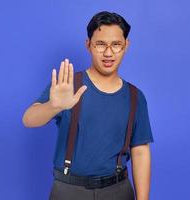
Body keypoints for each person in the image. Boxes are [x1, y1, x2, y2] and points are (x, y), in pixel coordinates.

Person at [22, 11, 154, 200]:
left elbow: (140, 152)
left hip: (118, 190)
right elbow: (28, 119)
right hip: (69, 190)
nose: (108, 52)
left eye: (116, 45)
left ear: (126, 46)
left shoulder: (135, 96)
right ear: (88, 45)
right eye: (100, 44)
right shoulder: (67, 85)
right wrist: (54, 106)